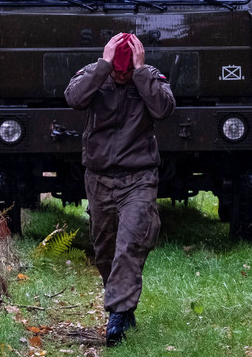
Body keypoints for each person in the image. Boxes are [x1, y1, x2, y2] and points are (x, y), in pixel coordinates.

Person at [65, 33, 175, 346]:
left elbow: (165, 108)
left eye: (127, 71)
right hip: (98, 178)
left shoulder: (149, 77)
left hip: (138, 177)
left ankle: (118, 314)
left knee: (130, 242)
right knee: (105, 251)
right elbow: (73, 98)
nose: (122, 76)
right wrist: (102, 68)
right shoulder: (95, 74)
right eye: (119, 70)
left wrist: (140, 73)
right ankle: (123, 306)